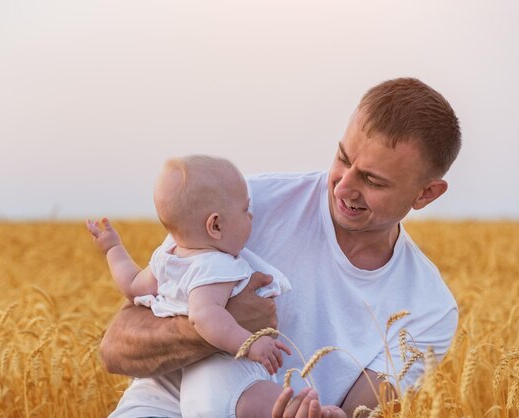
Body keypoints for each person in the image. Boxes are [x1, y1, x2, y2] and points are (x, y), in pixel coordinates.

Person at [99, 77, 462, 418]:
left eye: (372, 180)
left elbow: (356, 411)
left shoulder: (429, 309)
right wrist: (219, 325)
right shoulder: (242, 207)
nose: (342, 187)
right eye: (343, 159)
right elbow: (116, 348)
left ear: (426, 194)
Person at [86, 155, 293, 418]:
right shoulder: (215, 266)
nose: (251, 215)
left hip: (179, 370)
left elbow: (132, 285)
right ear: (215, 225)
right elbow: (203, 315)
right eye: (245, 210)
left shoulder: (167, 258)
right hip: (220, 362)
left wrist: (113, 249)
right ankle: (307, 412)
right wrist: (250, 343)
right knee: (255, 397)